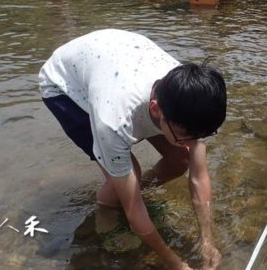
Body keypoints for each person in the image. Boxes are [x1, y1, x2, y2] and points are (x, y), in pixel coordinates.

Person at [39, 29, 226, 269]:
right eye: (186, 137)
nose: (193, 143)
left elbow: (199, 176)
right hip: (65, 88)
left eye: (199, 136)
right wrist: (176, 263)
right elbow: (134, 209)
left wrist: (207, 240)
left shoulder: (191, 99)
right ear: (157, 110)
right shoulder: (113, 120)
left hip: (118, 60)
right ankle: (105, 211)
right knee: (128, 183)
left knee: (180, 160)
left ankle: (134, 192)